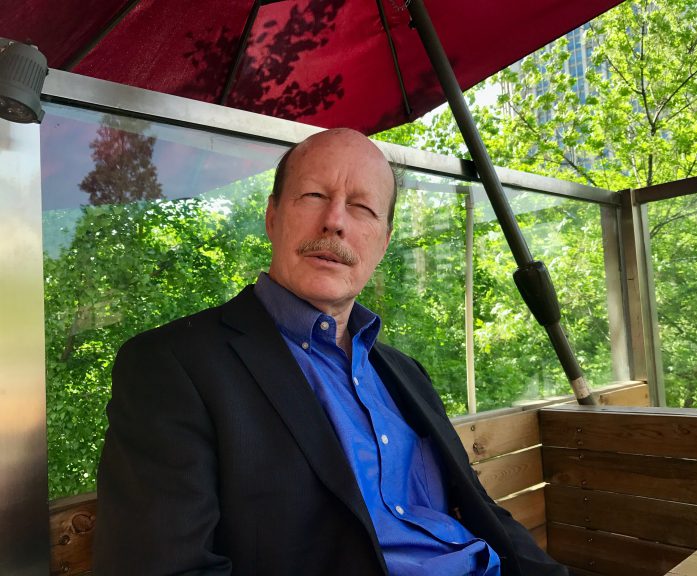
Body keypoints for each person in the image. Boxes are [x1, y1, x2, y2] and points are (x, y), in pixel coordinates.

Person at [94, 128, 568, 576]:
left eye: (362, 208)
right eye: (314, 195)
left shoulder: (404, 372)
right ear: (272, 217)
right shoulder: (172, 366)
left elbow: (482, 511)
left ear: (383, 241)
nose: (335, 222)